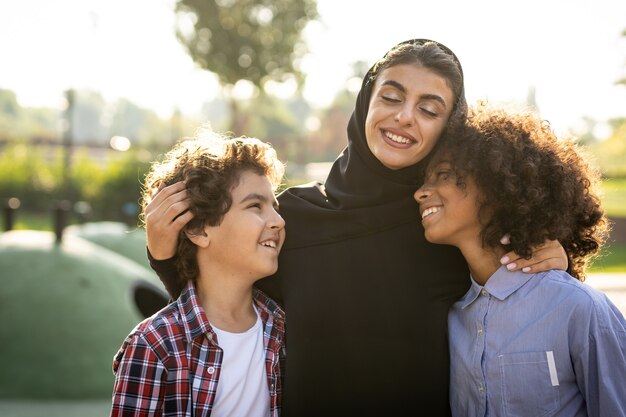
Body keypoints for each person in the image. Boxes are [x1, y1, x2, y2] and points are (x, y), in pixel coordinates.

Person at [145, 39, 568, 416]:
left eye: (428, 109)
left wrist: (556, 266)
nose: (404, 117)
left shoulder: (450, 228)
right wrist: (163, 254)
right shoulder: (294, 218)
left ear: (448, 128)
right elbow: (213, 311)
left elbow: (523, 318)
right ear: (366, 101)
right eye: (391, 97)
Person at [415, 103, 626, 416]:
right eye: (424, 179)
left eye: (442, 175)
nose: (420, 192)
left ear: (496, 186)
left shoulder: (577, 309)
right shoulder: (450, 317)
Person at [110, 133, 287, 416]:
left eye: (274, 207)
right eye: (255, 206)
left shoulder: (282, 329)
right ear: (199, 230)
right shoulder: (154, 345)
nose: (279, 221)